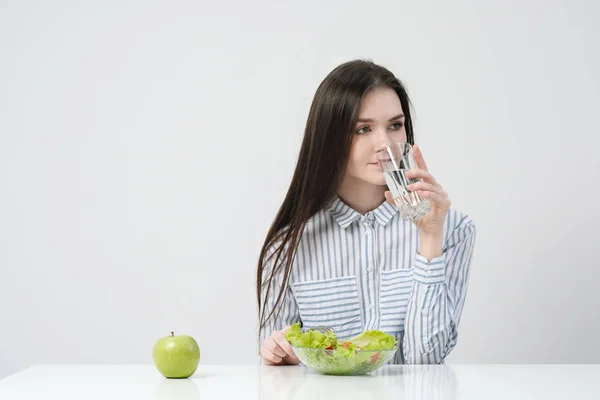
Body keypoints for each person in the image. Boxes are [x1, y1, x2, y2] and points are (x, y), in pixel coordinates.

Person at [256, 59, 476, 365]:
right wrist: (280, 355)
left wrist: (429, 239)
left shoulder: (452, 230)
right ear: (328, 138)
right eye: (363, 129)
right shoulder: (288, 246)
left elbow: (427, 361)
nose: (384, 144)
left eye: (395, 125)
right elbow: (277, 371)